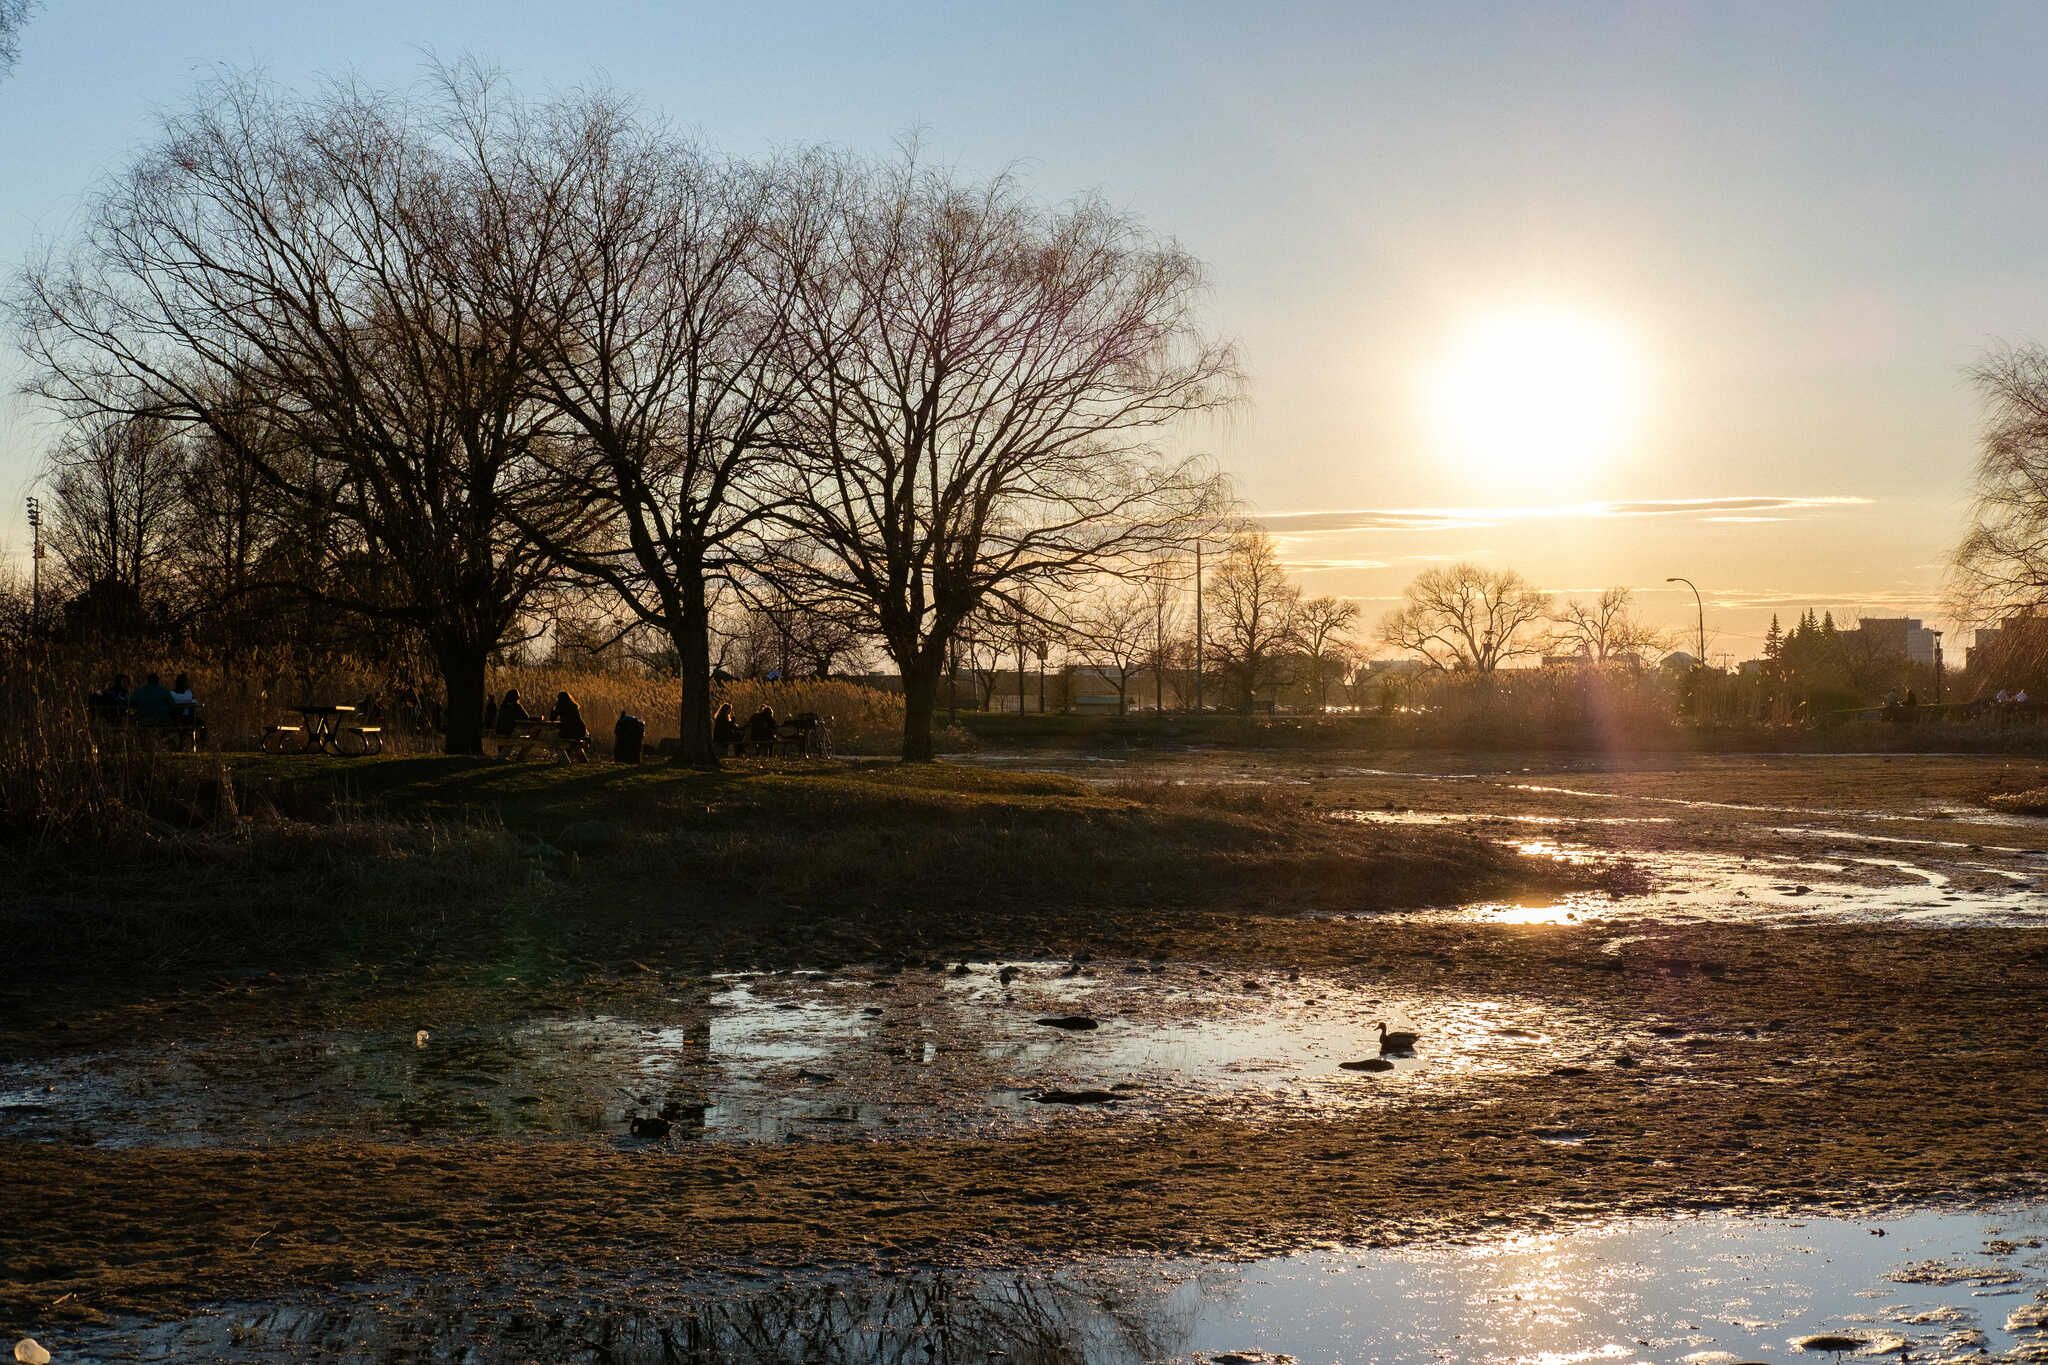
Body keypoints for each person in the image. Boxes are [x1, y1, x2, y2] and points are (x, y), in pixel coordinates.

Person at [548, 690, 590, 762]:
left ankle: (564, 758)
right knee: (573, 743)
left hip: (571, 732)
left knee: (554, 738)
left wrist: (553, 708)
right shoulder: (574, 706)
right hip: (581, 731)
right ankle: (579, 759)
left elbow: (552, 718)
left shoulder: (561, 707)